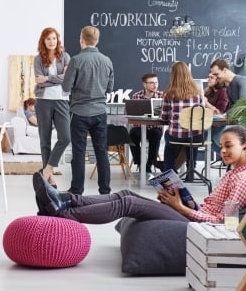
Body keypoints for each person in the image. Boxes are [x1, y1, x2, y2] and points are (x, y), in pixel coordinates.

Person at [34, 123, 246, 226]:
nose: (223, 151)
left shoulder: (244, 179)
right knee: (124, 192)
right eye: (222, 146)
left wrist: (181, 207)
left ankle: (63, 215)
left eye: (228, 146)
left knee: (128, 202)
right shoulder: (234, 173)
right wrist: (184, 199)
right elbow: (213, 209)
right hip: (193, 213)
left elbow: (227, 223)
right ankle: (64, 200)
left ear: (245, 147)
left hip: (194, 224)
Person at [61, 26, 115, 195]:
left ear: (81, 39)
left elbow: (65, 87)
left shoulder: (76, 61)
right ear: (97, 40)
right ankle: (105, 190)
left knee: (79, 152)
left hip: (79, 112)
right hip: (100, 112)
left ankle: (77, 190)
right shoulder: (107, 60)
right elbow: (110, 88)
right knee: (101, 151)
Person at [33, 27, 71, 187]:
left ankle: (47, 170)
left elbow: (67, 78)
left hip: (61, 100)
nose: (51, 41)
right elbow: (37, 80)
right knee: (45, 140)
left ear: (58, 40)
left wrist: (47, 78)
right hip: (43, 101)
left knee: (65, 137)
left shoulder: (65, 57)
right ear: (43, 40)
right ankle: (49, 178)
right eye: (48, 39)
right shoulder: (38, 59)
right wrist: (57, 78)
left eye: (54, 38)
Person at [159, 62, 206, 178]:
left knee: (169, 141)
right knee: (192, 140)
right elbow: (202, 113)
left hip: (176, 136)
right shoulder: (199, 92)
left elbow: (164, 117)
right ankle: (191, 169)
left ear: (173, 75)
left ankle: (169, 172)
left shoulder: (169, 94)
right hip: (196, 136)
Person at [128, 73, 164, 174]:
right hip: (140, 127)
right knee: (132, 135)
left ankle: (149, 164)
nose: (155, 85)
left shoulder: (162, 95)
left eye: (156, 82)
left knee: (156, 134)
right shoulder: (137, 96)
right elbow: (133, 116)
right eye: (151, 83)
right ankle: (140, 163)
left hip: (155, 128)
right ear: (144, 84)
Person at [205, 71, 230, 160]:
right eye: (208, 77)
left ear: (218, 80)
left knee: (208, 138)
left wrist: (206, 103)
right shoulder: (208, 92)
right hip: (209, 124)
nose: (208, 79)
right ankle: (228, 157)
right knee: (204, 138)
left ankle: (229, 156)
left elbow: (219, 112)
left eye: (211, 77)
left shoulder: (223, 91)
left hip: (219, 125)